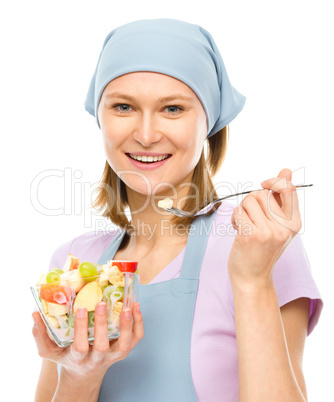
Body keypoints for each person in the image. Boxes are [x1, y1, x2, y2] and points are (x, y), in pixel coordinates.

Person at [32, 18, 323, 401]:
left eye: (172, 109)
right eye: (123, 107)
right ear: (100, 117)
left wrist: (252, 281)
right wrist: (80, 376)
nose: (147, 134)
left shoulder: (259, 244)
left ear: (209, 123)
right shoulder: (75, 263)